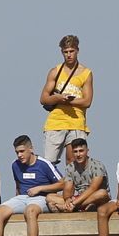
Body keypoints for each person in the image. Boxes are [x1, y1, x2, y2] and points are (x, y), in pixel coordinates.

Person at [42, 35, 94, 164]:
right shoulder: (55, 71)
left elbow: (87, 101)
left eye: (71, 51)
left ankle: (72, 184)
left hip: (76, 121)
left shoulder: (86, 73)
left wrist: (68, 100)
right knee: (49, 161)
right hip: (56, 121)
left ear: (77, 50)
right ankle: (55, 184)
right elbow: (43, 98)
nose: (69, 55)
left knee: (74, 161)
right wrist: (58, 98)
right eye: (66, 52)